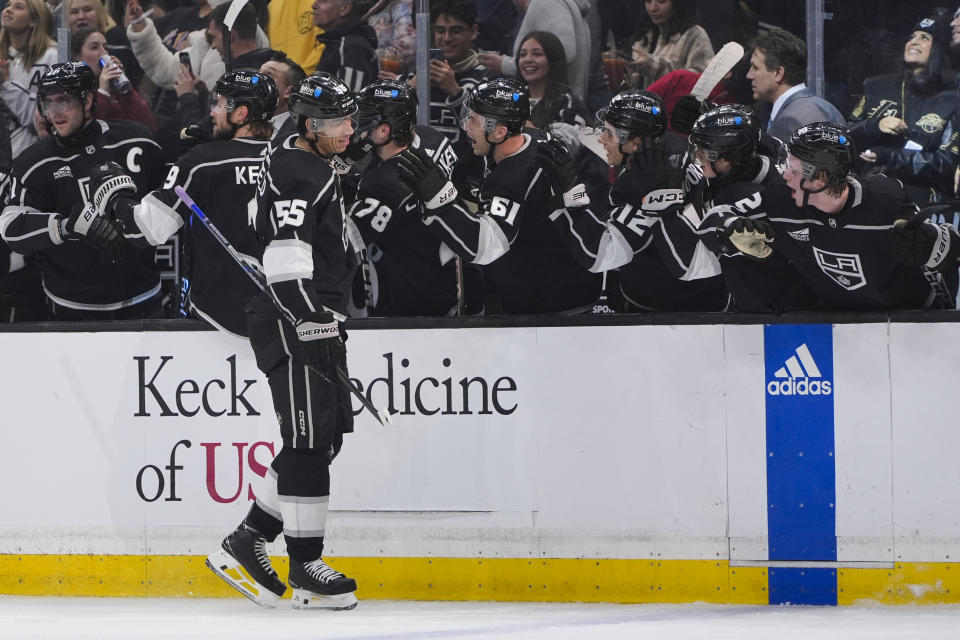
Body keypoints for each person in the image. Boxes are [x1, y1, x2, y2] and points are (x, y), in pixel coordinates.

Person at [206, 71, 359, 610]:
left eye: (349, 117)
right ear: (310, 125)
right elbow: (285, 262)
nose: (349, 129)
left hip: (309, 317)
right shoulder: (301, 172)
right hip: (291, 318)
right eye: (338, 121)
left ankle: (247, 539)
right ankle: (305, 564)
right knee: (310, 442)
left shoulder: (307, 161)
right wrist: (311, 320)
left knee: (325, 439)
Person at [97, 70, 278, 337]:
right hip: (283, 317)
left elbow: (147, 228)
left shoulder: (202, 162)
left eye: (219, 104)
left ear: (241, 114)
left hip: (215, 319)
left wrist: (117, 196)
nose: (212, 114)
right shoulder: (292, 159)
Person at [396, 77, 601, 314]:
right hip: (547, 286)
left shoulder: (514, 178)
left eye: (472, 120)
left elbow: (484, 247)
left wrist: (438, 199)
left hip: (556, 306)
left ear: (499, 132)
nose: (465, 126)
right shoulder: (527, 139)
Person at [707, 121, 959, 310]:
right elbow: (713, 220)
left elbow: (950, 246)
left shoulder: (884, 198)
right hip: (840, 327)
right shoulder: (781, 199)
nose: (785, 176)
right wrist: (730, 228)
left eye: (793, 170)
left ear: (820, 177)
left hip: (911, 323)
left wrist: (930, 243)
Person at [0, 63, 166, 320]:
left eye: (63, 101)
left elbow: (170, 202)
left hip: (143, 297)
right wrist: (66, 226)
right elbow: (11, 227)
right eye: (47, 103)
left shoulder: (139, 140)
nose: (53, 113)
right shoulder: (34, 162)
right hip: (71, 306)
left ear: (88, 99)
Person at [538, 89, 728, 312]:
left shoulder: (643, 181)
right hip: (713, 296)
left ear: (634, 142)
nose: (600, 139)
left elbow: (600, 254)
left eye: (609, 133)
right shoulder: (681, 147)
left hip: (671, 309)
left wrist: (571, 197)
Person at [349, 79, 481, 316]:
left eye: (364, 120)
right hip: (457, 277)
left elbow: (345, 238)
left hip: (421, 298)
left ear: (384, 130)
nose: (355, 127)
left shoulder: (383, 184)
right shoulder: (431, 137)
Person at [673, 104, 817, 313]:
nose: (699, 158)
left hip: (784, 301)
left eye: (707, 153)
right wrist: (714, 120)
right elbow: (750, 131)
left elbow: (703, 241)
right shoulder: (756, 153)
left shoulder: (774, 187)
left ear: (730, 158)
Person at [849, 17, 959, 206]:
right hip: (869, 193)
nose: (914, 41)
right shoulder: (876, 86)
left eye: (925, 37)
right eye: (911, 36)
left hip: (924, 201)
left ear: (939, 49)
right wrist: (874, 126)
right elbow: (845, 135)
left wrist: (888, 156)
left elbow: (945, 163)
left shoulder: (952, 99)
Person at [477, 0, 591, 101]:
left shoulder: (546, 3)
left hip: (556, 112)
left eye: (536, 53)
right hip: (548, 107)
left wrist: (505, 65)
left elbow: (563, 52)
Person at [747, 27, 844, 144]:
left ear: (778, 73)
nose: (749, 75)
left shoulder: (790, 120)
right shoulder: (825, 107)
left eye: (755, 67)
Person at [0, 0, 58, 159]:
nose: (8, 10)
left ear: (33, 20)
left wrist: (5, 86)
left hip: (34, 156)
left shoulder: (51, 56)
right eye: (7, 6)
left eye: (18, 7)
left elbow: (43, 119)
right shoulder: (3, 57)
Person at [70, 27, 156, 132]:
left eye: (105, 47)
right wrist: (103, 93)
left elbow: (147, 124)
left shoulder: (114, 87)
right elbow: (87, 129)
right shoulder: (72, 89)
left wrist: (124, 89)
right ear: (77, 56)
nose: (103, 53)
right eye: (94, 47)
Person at [627, 0, 714, 89]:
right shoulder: (644, 35)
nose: (653, 8)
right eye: (648, 1)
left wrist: (654, 66)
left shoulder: (695, 35)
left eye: (661, 1)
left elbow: (699, 84)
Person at [67, 0, 143, 92]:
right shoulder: (60, 48)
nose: (81, 16)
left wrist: (122, 85)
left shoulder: (120, 40)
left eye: (88, 10)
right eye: (74, 12)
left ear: (99, 13)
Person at [312, 0, 379, 92]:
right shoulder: (337, 42)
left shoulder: (352, 47)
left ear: (345, 9)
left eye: (324, 1)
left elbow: (350, 101)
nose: (314, 5)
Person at [259, 50, 307, 140]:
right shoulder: (242, 122)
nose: (258, 79)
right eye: (259, 73)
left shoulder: (300, 136)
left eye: (269, 74)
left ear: (289, 92)